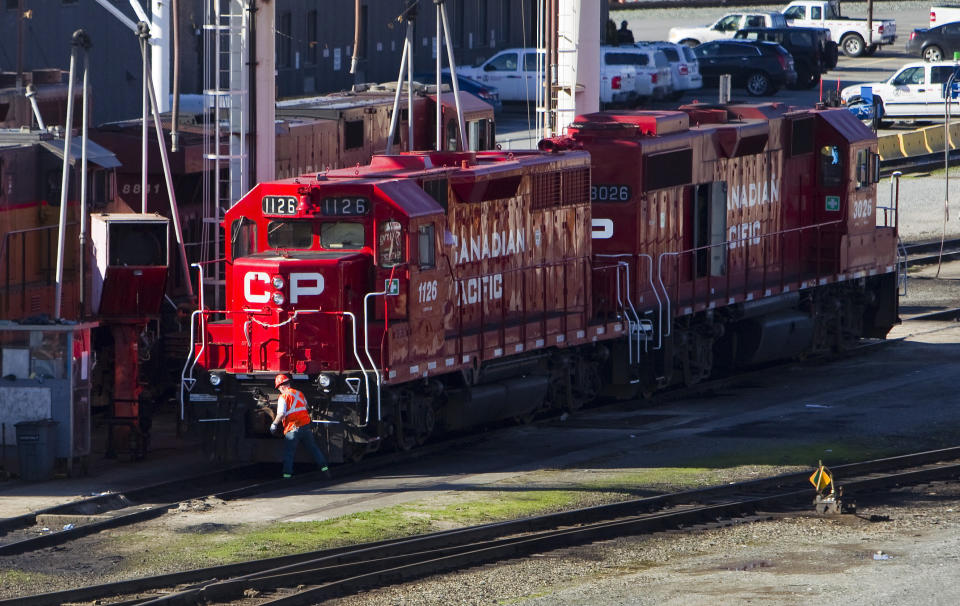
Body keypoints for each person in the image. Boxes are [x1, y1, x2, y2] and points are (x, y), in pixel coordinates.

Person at [270, 374, 331, 479]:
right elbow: (306, 407)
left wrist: (274, 424)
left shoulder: (283, 397)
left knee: (289, 453)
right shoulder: (299, 393)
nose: (279, 390)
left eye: (279, 388)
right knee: (314, 449)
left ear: (281, 386)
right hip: (305, 427)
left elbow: (281, 414)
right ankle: (325, 470)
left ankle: (287, 477)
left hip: (293, 429)